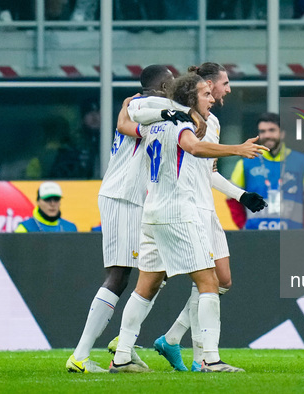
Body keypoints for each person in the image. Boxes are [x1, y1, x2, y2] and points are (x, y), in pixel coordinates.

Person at [110, 72, 267, 373]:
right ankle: (210, 359)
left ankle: (122, 356)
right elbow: (193, 147)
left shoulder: (153, 123)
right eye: (205, 94)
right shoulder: (181, 124)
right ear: (190, 97)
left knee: (146, 287)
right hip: (178, 214)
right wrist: (237, 149)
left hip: (152, 213)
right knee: (210, 283)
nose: (211, 98)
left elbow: (128, 122)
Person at [66, 65, 190, 373]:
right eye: (170, 81)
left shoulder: (144, 105)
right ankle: (80, 356)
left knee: (156, 270)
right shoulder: (142, 105)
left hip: (138, 200)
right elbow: (129, 123)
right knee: (119, 275)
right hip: (122, 195)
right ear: (161, 85)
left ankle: (123, 341)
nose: (173, 85)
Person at [228, 112, 304, 230]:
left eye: (272, 130)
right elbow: (232, 198)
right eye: (262, 131)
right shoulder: (246, 163)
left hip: (292, 236)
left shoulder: (300, 162)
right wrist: (244, 226)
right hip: (256, 236)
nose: (267, 135)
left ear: (282, 133)